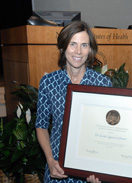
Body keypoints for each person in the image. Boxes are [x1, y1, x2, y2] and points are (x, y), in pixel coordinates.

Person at [35, 21, 112, 183]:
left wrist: (102, 170)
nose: (78, 51)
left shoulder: (103, 84)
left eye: (84, 45)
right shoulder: (48, 82)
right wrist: (50, 161)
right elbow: (41, 125)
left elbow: (108, 132)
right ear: (63, 47)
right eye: (73, 44)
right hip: (57, 167)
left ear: (90, 49)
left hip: (90, 169)